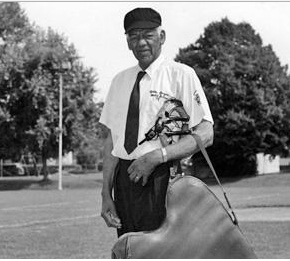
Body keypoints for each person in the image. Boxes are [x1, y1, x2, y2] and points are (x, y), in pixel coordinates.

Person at [99, 7, 214, 237]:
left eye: (148, 35)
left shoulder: (181, 74)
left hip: (163, 177)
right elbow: (112, 141)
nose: (141, 42)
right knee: (129, 251)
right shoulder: (119, 81)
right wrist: (105, 195)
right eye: (134, 36)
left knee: (163, 252)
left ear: (161, 37)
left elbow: (206, 132)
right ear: (128, 42)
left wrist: (157, 157)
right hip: (124, 181)